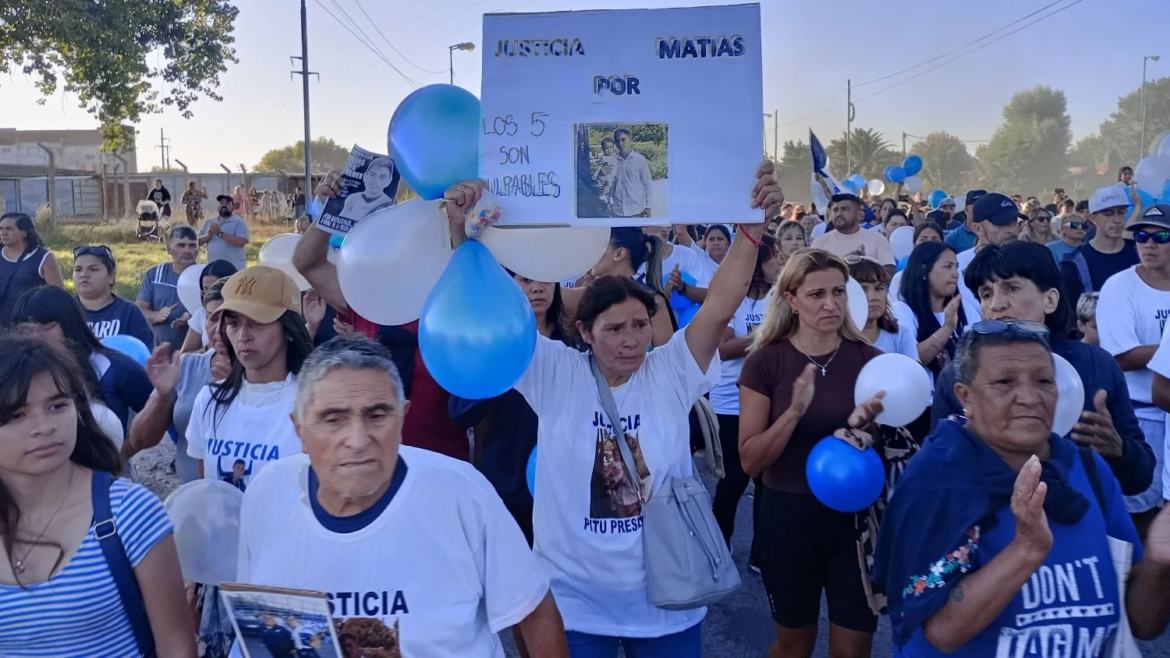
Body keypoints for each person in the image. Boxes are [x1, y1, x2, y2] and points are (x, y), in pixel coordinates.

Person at [441, 164, 780, 656]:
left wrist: (752, 231)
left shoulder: (671, 370)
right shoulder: (554, 370)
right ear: (583, 332)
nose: (631, 341)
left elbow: (720, 306)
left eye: (640, 326)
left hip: (669, 598)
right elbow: (484, 312)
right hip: (575, 603)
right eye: (614, 329)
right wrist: (461, 234)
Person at [236, 336, 570, 657]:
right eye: (333, 419)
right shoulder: (267, 495)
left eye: (377, 415)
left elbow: (533, 609)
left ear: (402, 418)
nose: (357, 439)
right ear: (299, 429)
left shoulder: (459, 493)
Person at [873, 322, 1170, 655]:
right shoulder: (938, 484)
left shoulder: (1089, 471)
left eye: (1043, 380)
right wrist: (1026, 549)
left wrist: (1159, 565)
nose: (1029, 397)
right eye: (1005, 382)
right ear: (965, 396)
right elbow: (942, 631)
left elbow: (1143, 625)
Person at [0, 337, 194, 657]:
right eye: (17, 414)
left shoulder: (130, 512)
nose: (44, 426)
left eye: (58, 405)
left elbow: (177, 646)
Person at [738, 248, 887, 658]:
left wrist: (865, 426)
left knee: (854, 650)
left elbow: (896, 448)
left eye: (839, 292)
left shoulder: (870, 361)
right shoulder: (765, 362)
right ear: (791, 300)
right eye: (817, 294)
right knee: (793, 647)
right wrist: (794, 412)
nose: (831, 304)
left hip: (855, 526)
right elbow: (751, 460)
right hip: (789, 519)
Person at [931, 240, 1154, 499]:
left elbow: (1141, 478)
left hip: (1081, 522)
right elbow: (938, 474)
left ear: (1050, 300)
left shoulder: (1096, 365)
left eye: (1012, 288)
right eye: (986, 293)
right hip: (994, 526)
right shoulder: (959, 375)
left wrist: (1119, 449)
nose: (996, 305)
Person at [293, 176, 473, 463]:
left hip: (440, 471)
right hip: (370, 470)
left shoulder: (450, 306)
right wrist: (333, 210)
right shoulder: (367, 302)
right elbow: (307, 263)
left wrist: (459, 224)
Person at [449, 274, 572, 546]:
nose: (538, 288)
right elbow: (459, 411)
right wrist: (503, 369)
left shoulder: (574, 342)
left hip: (564, 487)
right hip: (506, 482)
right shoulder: (494, 341)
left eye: (545, 279)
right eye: (526, 280)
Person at [185, 266, 313, 485]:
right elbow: (207, 487)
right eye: (234, 323)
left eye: (258, 322)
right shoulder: (209, 399)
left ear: (288, 329)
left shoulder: (312, 405)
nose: (244, 336)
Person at [1097, 203, 1170, 535]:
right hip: (1143, 417)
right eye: (1141, 236)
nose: (1149, 244)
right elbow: (1121, 356)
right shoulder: (1120, 286)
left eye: (1160, 236)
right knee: (1141, 517)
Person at [711, 232, 782, 549]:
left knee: (767, 484)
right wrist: (768, 335)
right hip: (729, 403)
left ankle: (761, 553)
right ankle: (717, 548)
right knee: (732, 483)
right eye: (773, 258)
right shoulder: (733, 298)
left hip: (770, 401)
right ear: (757, 264)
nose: (780, 263)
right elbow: (724, 348)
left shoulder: (781, 299)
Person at [10, 286, 152, 436]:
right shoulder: (11, 375)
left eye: (47, 328)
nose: (36, 339)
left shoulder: (111, 367)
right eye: (26, 332)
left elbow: (161, 412)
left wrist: (129, 448)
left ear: (69, 325)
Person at [128, 279, 232, 484]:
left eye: (230, 319)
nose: (218, 329)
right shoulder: (187, 366)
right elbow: (140, 439)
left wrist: (236, 391)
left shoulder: (262, 372)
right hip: (193, 502)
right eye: (211, 318)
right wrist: (162, 396)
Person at [893, 242, 976, 385]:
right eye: (947, 266)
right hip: (924, 402)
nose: (955, 274)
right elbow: (912, 359)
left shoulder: (966, 309)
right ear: (924, 270)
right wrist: (947, 328)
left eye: (956, 267)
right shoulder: (902, 310)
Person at [584, 227, 676, 347]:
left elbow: (666, 358)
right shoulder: (590, 294)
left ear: (619, 254)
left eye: (639, 325)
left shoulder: (653, 301)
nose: (592, 253)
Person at [1061, 185, 1140, 300]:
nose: (1117, 220)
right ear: (1093, 218)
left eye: (1121, 212)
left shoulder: (1140, 253)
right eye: (1108, 214)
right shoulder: (1075, 264)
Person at [954, 193, 1022, 323]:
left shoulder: (1028, 262)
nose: (1011, 230)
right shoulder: (956, 267)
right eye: (1001, 224)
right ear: (978, 228)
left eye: (1014, 222)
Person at [71, 245, 154, 348]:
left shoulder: (129, 313)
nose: (84, 274)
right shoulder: (63, 310)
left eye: (93, 269)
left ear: (111, 276)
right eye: (78, 270)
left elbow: (144, 354)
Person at [137, 226, 200, 349]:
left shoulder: (206, 275)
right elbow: (138, 311)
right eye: (181, 246)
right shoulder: (155, 275)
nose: (187, 250)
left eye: (192, 246)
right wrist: (156, 315)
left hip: (195, 354)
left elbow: (217, 314)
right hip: (159, 351)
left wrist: (193, 319)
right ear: (169, 249)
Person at [0, 211, 64, 327]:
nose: (3, 233)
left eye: (9, 229)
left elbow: (59, 296)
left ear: (24, 232)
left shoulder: (43, 258)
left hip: (28, 327)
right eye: (1, 229)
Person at [851, 258, 917, 361]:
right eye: (863, 289)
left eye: (879, 288)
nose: (873, 297)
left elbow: (913, 375)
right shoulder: (835, 339)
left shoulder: (901, 335)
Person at [811, 193, 895, 270]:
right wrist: (845, 262)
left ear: (859, 214)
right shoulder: (820, 243)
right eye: (835, 210)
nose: (839, 214)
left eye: (845, 209)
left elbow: (890, 271)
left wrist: (866, 263)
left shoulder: (877, 239)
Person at [180, 259, 238, 353]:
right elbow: (185, 355)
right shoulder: (201, 314)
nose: (210, 294)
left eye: (216, 287)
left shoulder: (242, 311)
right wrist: (210, 349)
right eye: (206, 289)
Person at [610, 128, 653, 219]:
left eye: (623, 139)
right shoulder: (612, 161)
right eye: (617, 141)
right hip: (617, 211)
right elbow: (610, 183)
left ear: (630, 139)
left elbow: (647, 183)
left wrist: (648, 206)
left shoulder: (639, 160)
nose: (621, 144)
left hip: (636, 211)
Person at [199, 195, 250, 271]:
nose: (224, 205)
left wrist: (220, 234)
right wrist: (207, 236)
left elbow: (241, 242)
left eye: (227, 203)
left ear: (233, 207)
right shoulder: (209, 222)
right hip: (213, 270)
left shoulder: (239, 223)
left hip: (234, 270)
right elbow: (196, 243)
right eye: (221, 203)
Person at [593, 136, 618, 206]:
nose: (609, 150)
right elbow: (599, 166)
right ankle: (603, 195)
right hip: (606, 175)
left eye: (611, 147)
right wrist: (596, 173)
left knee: (613, 185)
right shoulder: (603, 157)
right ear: (603, 149)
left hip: (612, 175)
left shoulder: (614, 155)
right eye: (606, 148)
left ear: (613, 147)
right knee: (609, 184)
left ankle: (611, 197)